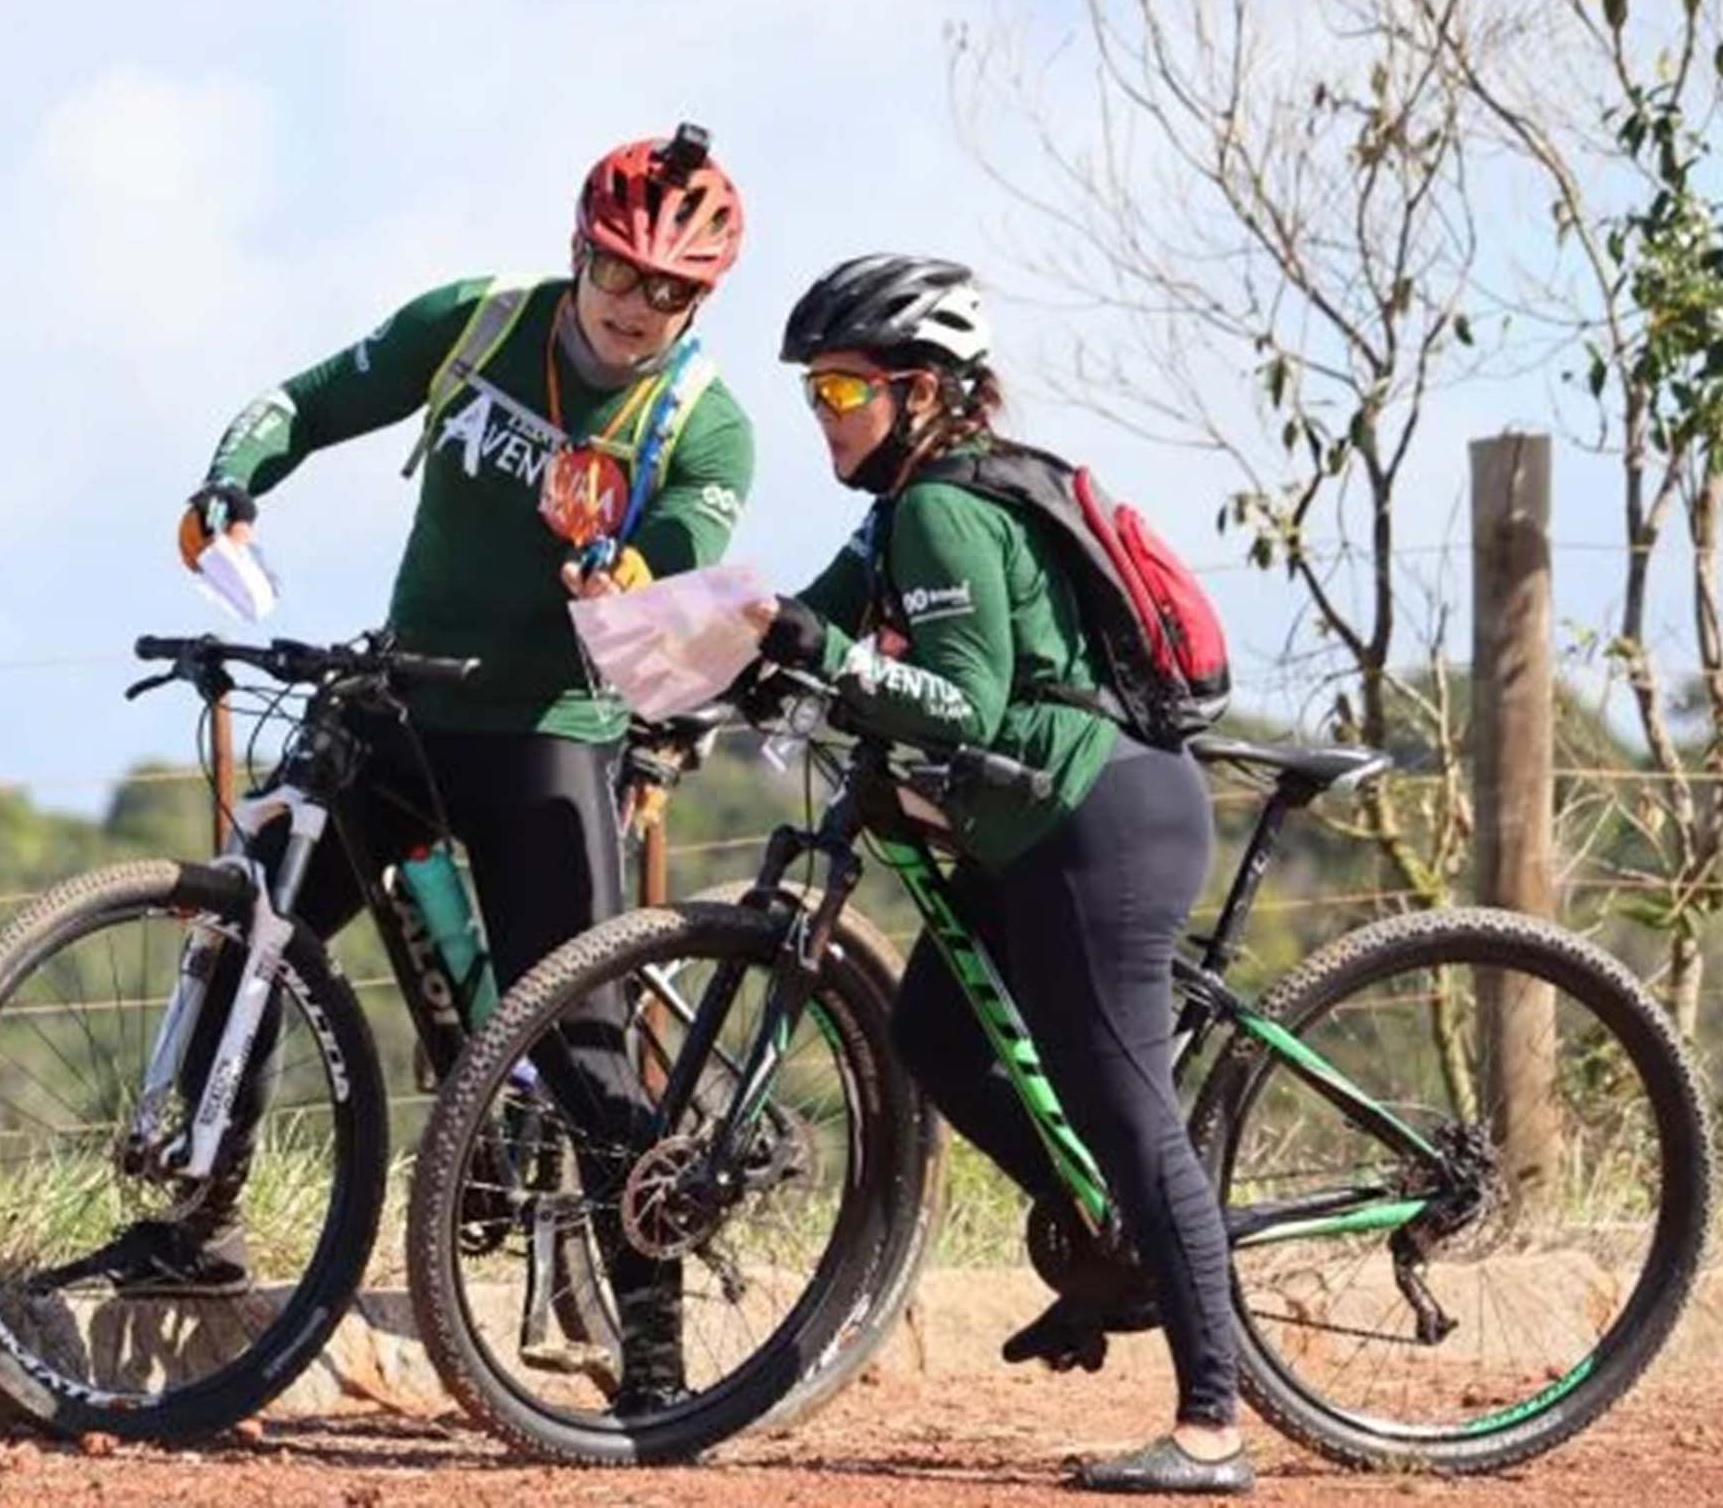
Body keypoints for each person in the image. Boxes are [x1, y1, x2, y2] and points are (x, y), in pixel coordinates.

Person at [65, 124, 755, 1414]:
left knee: (584, 1045)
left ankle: (652, 1348)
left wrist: (627, 572)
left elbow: (679, 549)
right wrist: (231, 479)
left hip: (552, 734)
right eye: (618, 271)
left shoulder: (703, 422)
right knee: (245, 923)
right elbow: (309, 399)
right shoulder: (478, 322)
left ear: (702, 297)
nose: (635, 306)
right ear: (578, 250)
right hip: (404, 701)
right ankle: (201, 1217)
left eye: (670, 290)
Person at [743, 255, 1249, 1494]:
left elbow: (958, 704)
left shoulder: (943, 510)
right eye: (813, 390)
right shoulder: (895, 517)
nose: (824, 413)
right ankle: (1104, 1244)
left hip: (1099, 816)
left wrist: (818, 650)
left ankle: (1214, 1426)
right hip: (1027, 822)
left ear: (922, 391)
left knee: (1128, 1105)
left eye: (842, 388)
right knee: (935, 1029)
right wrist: (702, 652)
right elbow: (804, 630)